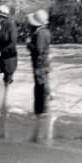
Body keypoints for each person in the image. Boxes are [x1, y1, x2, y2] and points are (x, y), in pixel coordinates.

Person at [27, 8, 52, 144]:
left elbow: (39, 50)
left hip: (40, 66)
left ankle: (41, 113)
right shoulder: (45, 32)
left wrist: (29, 45)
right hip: (43, 65)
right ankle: (43, 110)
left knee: (41, 88)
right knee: (42, 87)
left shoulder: (40, 33)